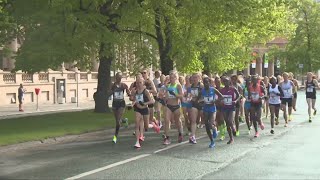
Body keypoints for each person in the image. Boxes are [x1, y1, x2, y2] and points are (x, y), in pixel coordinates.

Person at [131, 77, 155, 148]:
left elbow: (152, 101)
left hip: (145, 109)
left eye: (140, 82)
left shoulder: (146, 91)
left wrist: (144, 103)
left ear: (143, 83)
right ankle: (137, 142)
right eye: (137, 83)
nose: (138, 84)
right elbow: (134, 100)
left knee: (146, 127)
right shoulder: (135, 91)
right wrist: (132, 103)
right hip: (137, 109)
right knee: (137, 124)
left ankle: (153, 125)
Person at [199, 77, 223, 148]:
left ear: (209, 83)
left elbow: (221, 97)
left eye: (207, 82)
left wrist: (215, 101)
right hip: (205, 109)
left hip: (212, 109)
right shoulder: (202, 91)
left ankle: (214, 128)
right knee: (206, 126)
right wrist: (201, 102)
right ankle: (212, 141)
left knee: (210, 123)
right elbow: (198, 100)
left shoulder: (213, 89)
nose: (206, 84)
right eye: (205, 82)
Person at [163, 71, 184, 145]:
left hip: (176, 106)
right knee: (166, 121)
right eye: (170, 78)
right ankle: (167, 138)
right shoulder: (168, 86)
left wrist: (175, 94)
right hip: (169, 105)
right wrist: (165, 97)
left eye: (173, 77)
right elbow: (165, 95)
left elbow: (181, 95)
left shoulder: (178, 86)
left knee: (177, 121)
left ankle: (180, 133)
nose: (171, 79)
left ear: (176, 78)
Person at [109, 72, 131, 143]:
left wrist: (130, 94)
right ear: (115, 77)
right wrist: (111, 91)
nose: (119, 79)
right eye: (117, 77)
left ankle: (115, 137)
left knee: (118, 122)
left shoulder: (123, 85)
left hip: (121, 103)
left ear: (121, 78)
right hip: (115, 104)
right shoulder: (113, 85)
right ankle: (125, 120)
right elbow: (109, 92)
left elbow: (128, 93)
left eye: (120, 77)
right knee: (118, 121)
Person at [220, 77, 240, 144]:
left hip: (232, 107)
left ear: (229, 82)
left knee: (230, 121)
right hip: (224, 107)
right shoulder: (222, 90)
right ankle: (231, 138)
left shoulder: (233, 88)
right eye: (224, 82)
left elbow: (239, 96)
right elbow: (219, 98)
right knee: (227, 123)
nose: (226, 83)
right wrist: (221, 101)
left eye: (227, 81)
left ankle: (233, 128)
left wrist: (235, 101)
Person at [187, 73, 204, 144]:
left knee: (205, 121)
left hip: (202, 104)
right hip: (194, 105)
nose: (194, 79)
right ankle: (193, 136)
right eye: (193, 78)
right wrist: (188, 99)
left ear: (199, 78)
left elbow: (205, 96)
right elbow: (188, 96)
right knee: (193, 121)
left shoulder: (202, 86)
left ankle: (213, 127)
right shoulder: (190, 87)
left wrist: (199, 99)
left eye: (196, 77)